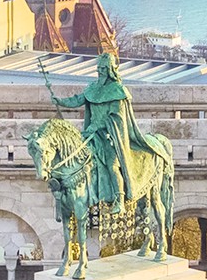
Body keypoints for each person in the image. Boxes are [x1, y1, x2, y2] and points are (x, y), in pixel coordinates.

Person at [47, 51, 157, 208]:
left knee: (112, 165)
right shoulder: (93, 87)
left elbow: (116, 118)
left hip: (110, 137)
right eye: (98, 68)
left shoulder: (117, 91)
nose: (100, 71)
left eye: (103, 69)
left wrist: (98, 126)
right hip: (90, 134)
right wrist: (60, 101)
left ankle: (119, 199)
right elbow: (78, 100)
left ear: (111, 70)